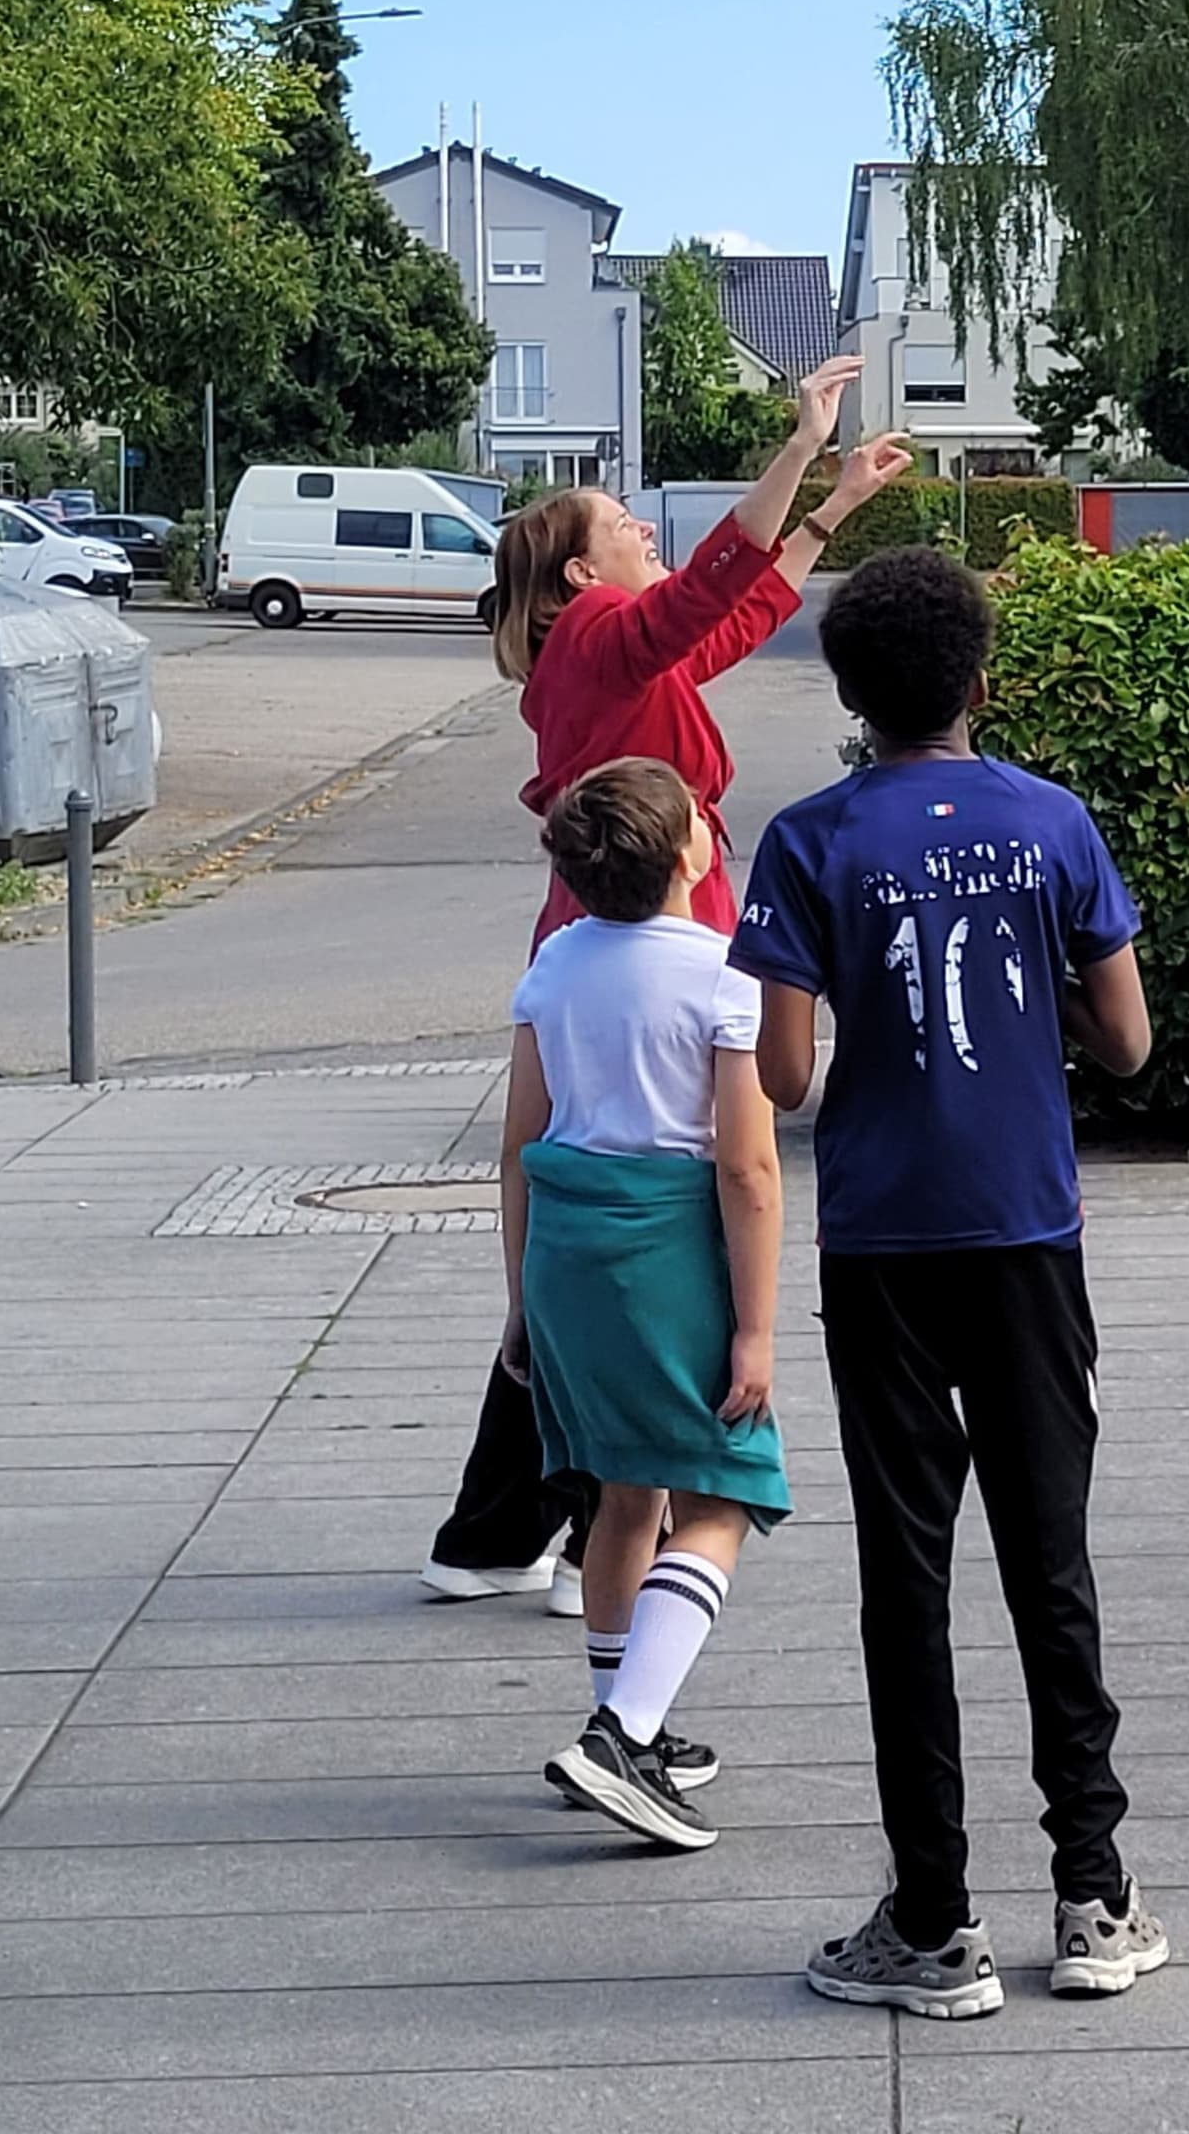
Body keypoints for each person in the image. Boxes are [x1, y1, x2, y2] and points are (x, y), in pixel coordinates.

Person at [732, 545, 1165, 2021]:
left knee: (904, 1577)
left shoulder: (807, 841)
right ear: (984, 682)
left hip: (886, 1248)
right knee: (1053, 1561)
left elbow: (785, 1071)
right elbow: (1126, 1045)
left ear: (849, 696)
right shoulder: (1053, 822)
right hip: (1028, 1237)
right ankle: (1094, 1897)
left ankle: (932, 1923)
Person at [415, 359, 909, 1614]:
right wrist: (798, 449)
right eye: (622, 523)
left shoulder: (620, 660)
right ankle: (563, 1519)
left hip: (616, 941)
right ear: (580, 575)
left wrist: (833, 504)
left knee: (616, 1222)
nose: (643, 526)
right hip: (633, 941)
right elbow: (703, 599)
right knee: (653, 1209)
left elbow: (730, 618)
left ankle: (515, 1526)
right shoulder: (595, 638)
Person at [500, 758, 787, 1853]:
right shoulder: (725, 976)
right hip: (670, 1251)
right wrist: (755, 1329)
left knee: (626, 1496)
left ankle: (629, 1715)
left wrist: (518, 1300)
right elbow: (746, 1169)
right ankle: (624, 1735)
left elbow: (521, 1146)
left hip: (569, 1249)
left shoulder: (555, 967)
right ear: (692, 855)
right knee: (722, 1491)